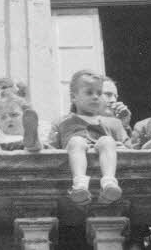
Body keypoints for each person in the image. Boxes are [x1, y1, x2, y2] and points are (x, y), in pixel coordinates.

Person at [53, 70, 127, 205]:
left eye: (99, 93)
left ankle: (109, 182)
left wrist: (124, 147)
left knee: (107, 141)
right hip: (75, 153)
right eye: (89, 93)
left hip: (103, 154)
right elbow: (50, 149)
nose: (95, 97)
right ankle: (79, 184)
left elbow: (131, 147)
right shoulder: (62, 123)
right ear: (73, 97)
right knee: (76, 141)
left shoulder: (114, 123)